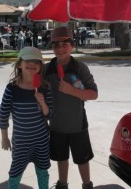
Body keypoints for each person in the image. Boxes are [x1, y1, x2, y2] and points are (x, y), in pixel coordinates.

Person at [44, 26, 98, 189]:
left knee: (82, 159)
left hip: (77, 124)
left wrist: (72, 90)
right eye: (55, 45)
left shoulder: (80, 68)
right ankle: (62, 184)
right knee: (61, 158)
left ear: (72, 45)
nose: (60, 49)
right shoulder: (47, 69)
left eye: (64, 44)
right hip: (56, 125)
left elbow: (94, 94)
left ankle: (87, 184)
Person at [0, 47, 53, 189]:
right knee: (16, 172)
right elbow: (3, 114)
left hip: (41, 140)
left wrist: (42, 102)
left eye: (37, 61)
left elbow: (50, 115)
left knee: (42, 170)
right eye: (28, 60)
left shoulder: (44, 87)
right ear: (19, 64)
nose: (32, 64)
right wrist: (4, 137)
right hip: (21, 142)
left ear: (40, 66)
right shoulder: (12, 89)